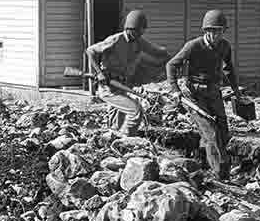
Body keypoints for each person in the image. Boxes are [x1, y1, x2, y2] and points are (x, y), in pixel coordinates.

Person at [166, 10, 243, 179]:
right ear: (206, 31)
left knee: (223, 130)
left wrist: (236, 91)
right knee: (210, 132)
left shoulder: (224, 46)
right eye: (213, 31)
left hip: (214, 91)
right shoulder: (193, 46)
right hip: (194, 94)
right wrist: (175, 90)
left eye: (220, 31)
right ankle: (221, 174)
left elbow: (229, 69)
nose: (217, 35)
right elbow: (172, 65)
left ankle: (202, 159)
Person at [86, 10, 169, 136]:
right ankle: (126, 141)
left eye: (142, 31)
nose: (141, 34)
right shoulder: (115, 40)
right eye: (138, 31)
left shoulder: (139, 42)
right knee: (135, 110)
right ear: (130, 29)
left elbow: (156, 51)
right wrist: (99, 73)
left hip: (123, 86)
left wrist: (171, 57)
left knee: (116, 122)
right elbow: (90, 51)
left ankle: (115, 141)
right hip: (109, 87)